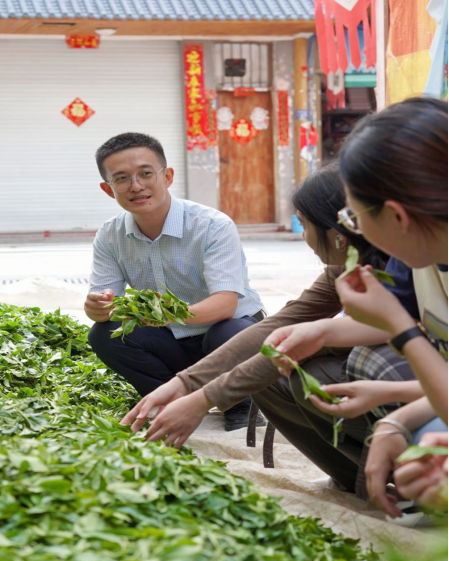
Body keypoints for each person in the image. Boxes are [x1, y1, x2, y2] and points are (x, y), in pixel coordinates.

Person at [121, 165, 419, 495]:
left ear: (339, 230)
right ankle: (356, 478)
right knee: (268, 371)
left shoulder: (406, 265)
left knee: (333, 363)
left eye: (304, 224)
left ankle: (415, 474)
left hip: (421, 382)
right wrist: (186, 383)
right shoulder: (347, 265)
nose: (303, 236)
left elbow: (309, 340)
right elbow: (284, 322)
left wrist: (204, 399)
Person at [267, 98, 448, 516]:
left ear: (398, 216)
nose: (351, 232)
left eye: (354, 217)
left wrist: (401, 329)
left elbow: (398, 327)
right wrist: (322, 332)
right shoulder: (419, 249)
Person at [85, 132, 266, 432]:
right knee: (104, 334)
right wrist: (97, 307)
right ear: (108, 189)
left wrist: (163, 314)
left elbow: (225, 304)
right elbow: (103, 305)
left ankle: (240, 404)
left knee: (230, 330)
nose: (137, 186)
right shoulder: (109, 235)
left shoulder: (212, 226)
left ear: (167, 176)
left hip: (227, 332)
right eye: (122, 179)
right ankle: (172, 400)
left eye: (146, 174)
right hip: (172, 338)